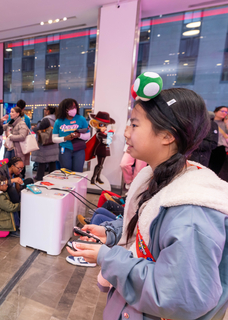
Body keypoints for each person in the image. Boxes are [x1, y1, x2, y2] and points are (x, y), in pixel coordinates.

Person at [67, 84, 228, 319]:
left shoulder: (191, 213)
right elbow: (151, 226)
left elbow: (177, 295)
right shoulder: (159, 178)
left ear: (167, 135)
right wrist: (112, 232)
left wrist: (106, 256)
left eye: (134, 124)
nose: (125, 132)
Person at [52, 99, 90, 172]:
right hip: (65, 149)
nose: (74, 109)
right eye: (71, 107)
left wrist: (79, 135)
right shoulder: (58, 121)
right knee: (66, 172)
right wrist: (65, 138)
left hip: (79, 149)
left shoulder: (81, 119)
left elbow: (88, 135)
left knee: (78, 172)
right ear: (64, 109)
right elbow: (54, 139)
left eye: (75, 107)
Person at [31, 105, 58, 181]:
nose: (44, 110)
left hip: (45, 144)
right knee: (52, 162)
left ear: (48, 111)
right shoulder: (56, 119)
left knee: (42, 161)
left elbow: (39, 129)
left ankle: (39, 177)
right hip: (54, 143)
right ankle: (53, 177)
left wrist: (34, 128)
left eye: (45, 109)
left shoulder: (46, 119)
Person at [208, 106, 228, 175]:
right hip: (209, 147)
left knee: (216, 170)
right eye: (222, 111)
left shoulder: (225, 123)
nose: (224, 113)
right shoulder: (208, 122)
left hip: (221, 148)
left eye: (226, 112)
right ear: (216, 112)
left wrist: (226, 123)